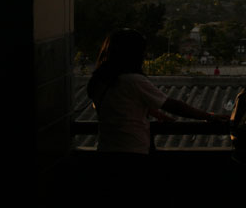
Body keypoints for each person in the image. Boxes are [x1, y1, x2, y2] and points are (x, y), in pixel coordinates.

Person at [86, 28, 227, 199]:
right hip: (132, 153)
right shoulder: (133, 80)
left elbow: (118, 106)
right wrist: (208, 116)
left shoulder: (100, 81)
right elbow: (172, 105)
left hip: (105, 151)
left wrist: (153, 112)